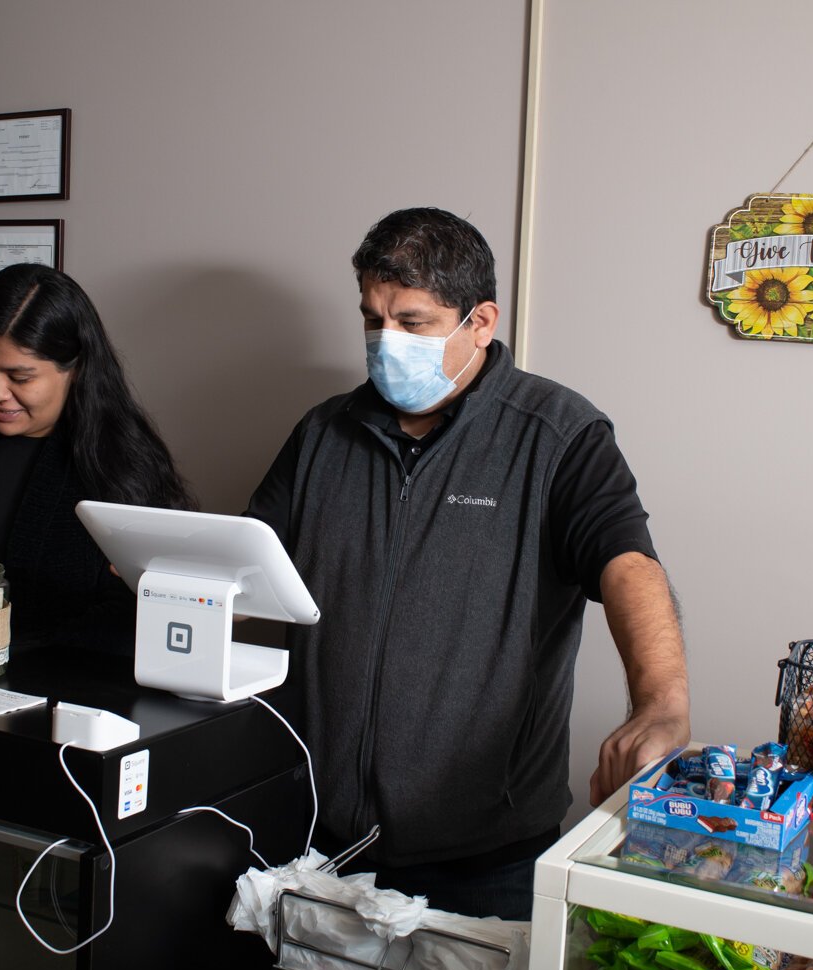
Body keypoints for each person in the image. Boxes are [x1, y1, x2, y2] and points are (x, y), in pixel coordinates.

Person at [245, 208, 689, 919]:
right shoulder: (324, 432)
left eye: (413, 323)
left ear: (480, 321)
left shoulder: (558, 435)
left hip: (488, 855)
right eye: (372, 318)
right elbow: (251, 563)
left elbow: (628, 563)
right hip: (319, 837)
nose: (386, 342)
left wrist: (662, 705)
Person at [0, 263, 194, 661]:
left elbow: (143, 609)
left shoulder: (123, 458)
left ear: (75, 369)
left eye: (20, 377)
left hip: (60, 697)